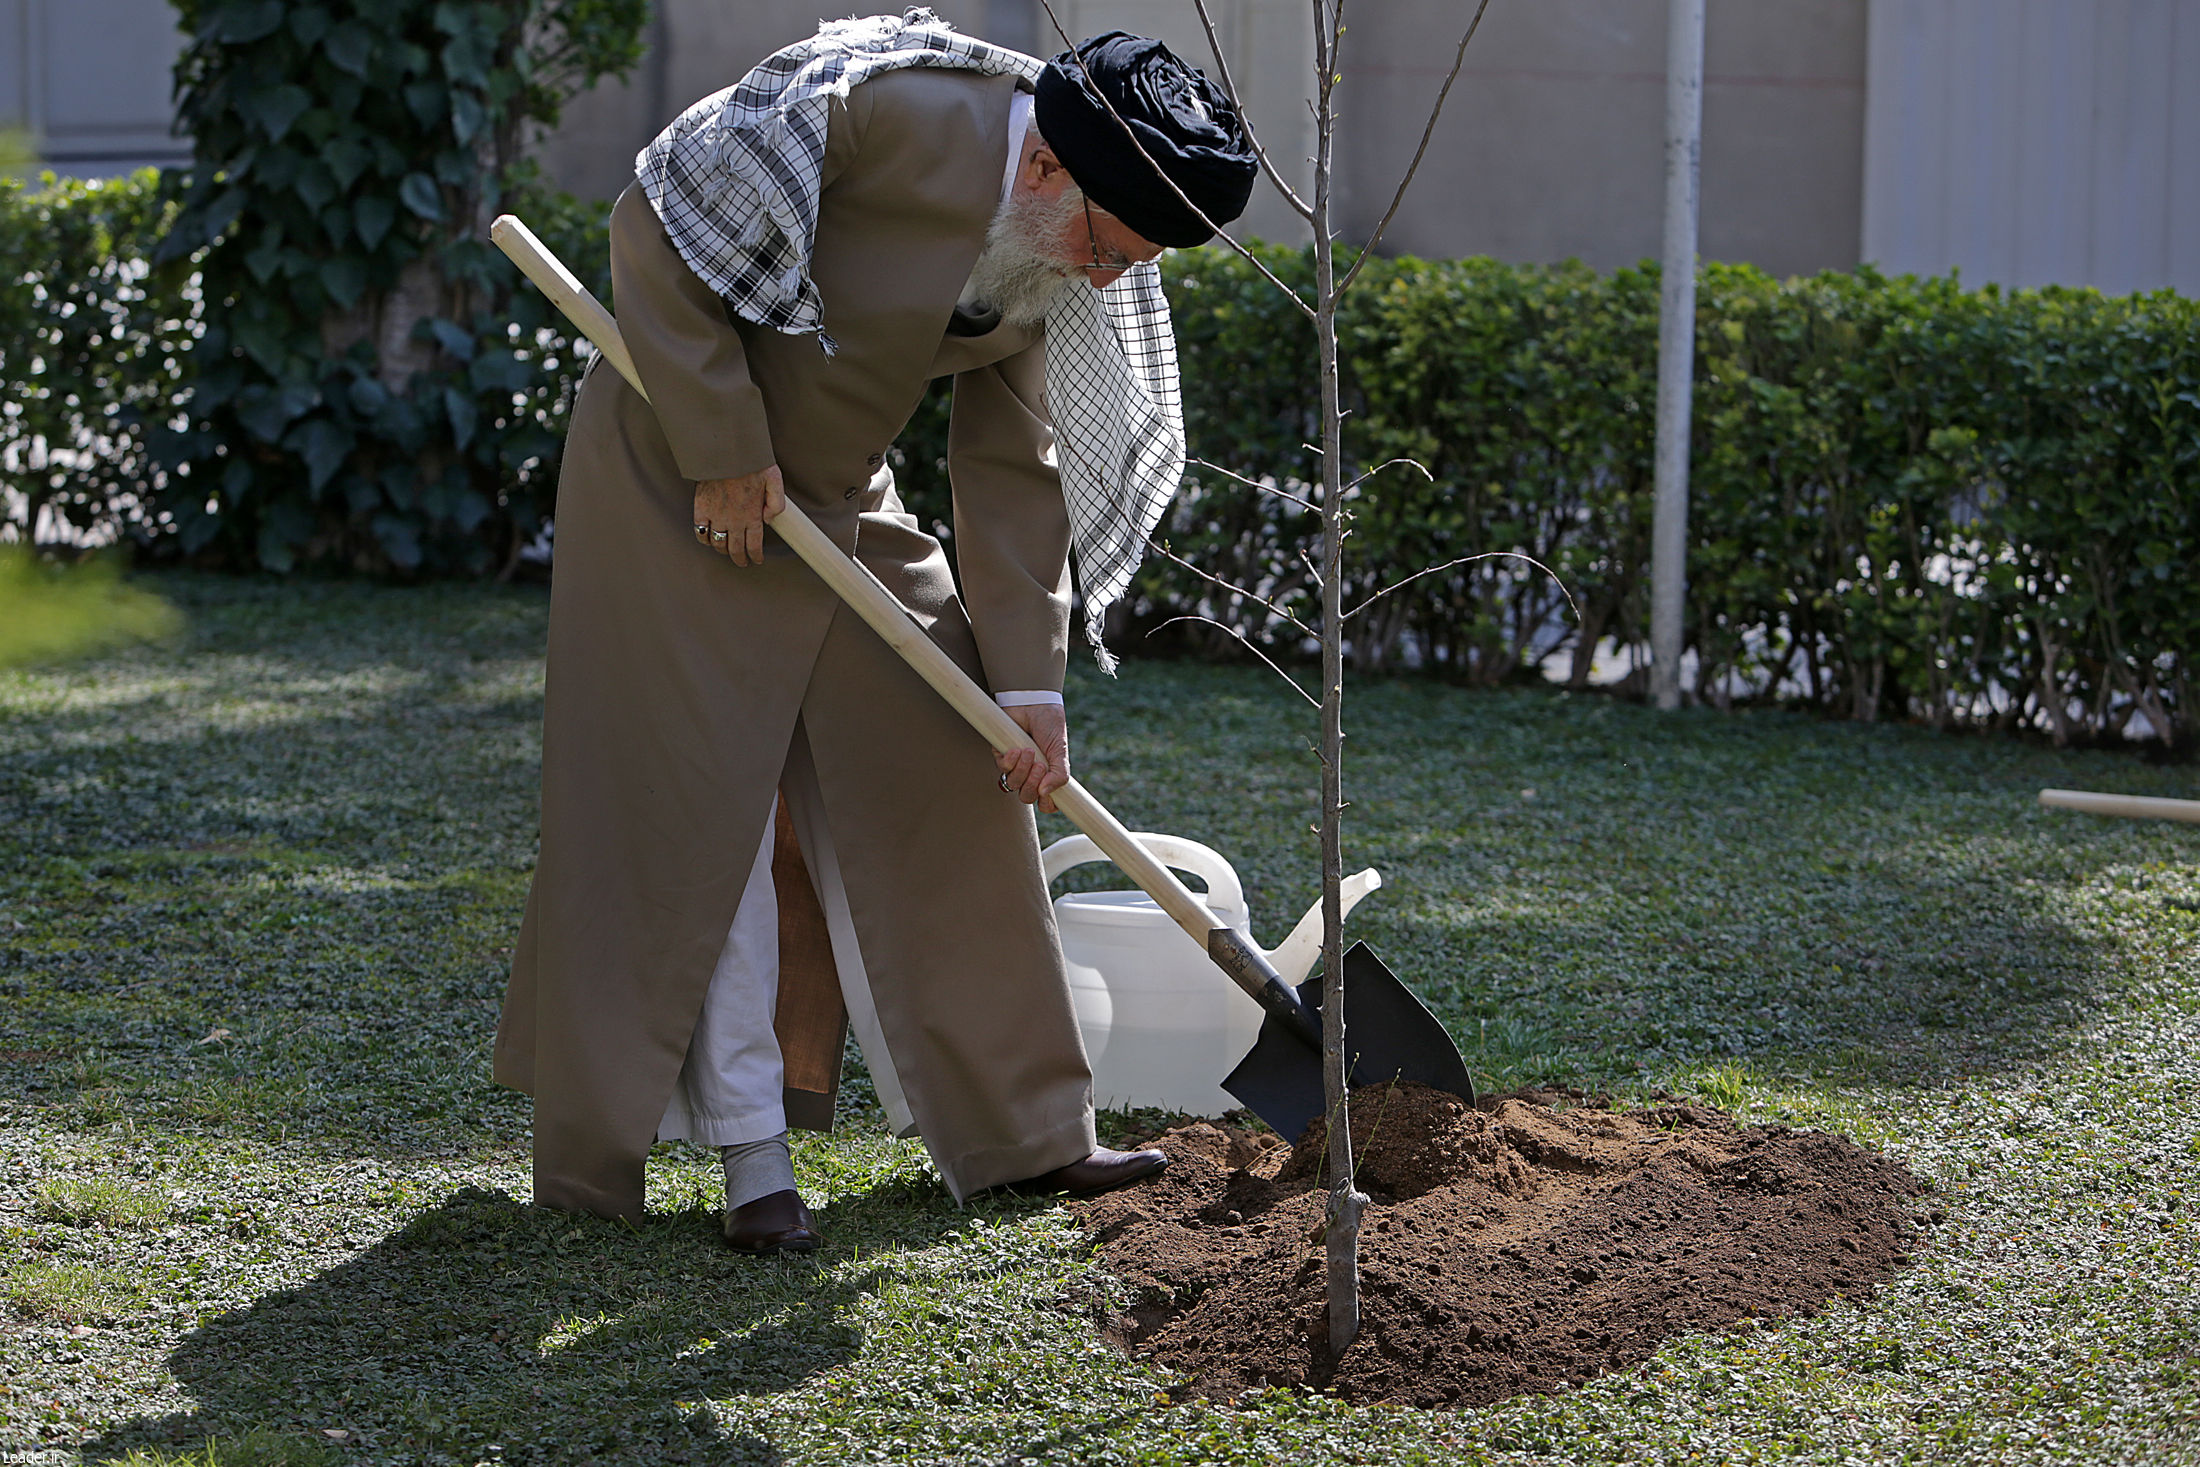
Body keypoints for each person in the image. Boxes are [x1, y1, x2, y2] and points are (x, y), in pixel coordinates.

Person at [493, 12, 1258, 1253]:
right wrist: (723, 451)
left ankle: (1028, 1132)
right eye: (1107, 250)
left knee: (956, 766)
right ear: (1045, 167)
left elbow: (1019, 462)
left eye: (1133, 264)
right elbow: (654, 224)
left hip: (837, 495)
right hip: (673, 474)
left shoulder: (1056, 249)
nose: (1109, 279)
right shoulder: (873, 111)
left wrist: (1030, 689)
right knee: (703, 816)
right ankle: (753, 1163)